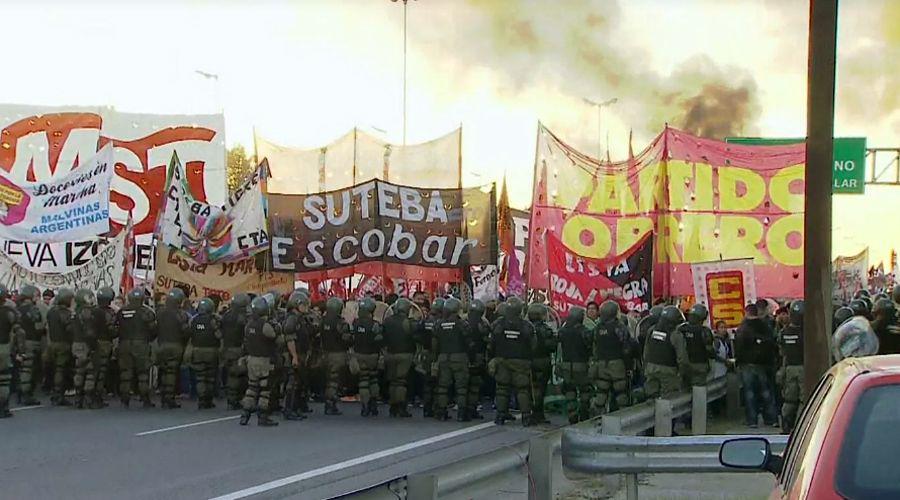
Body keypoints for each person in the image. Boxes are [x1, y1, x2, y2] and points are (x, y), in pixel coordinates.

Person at [490, 296, 535, 426]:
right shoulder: (526, 325)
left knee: (502, 389)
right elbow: (533, 344)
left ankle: (500, 415)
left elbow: (492, 342)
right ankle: (526, 417)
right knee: (522, 390)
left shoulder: (498, 324)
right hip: (521, 361)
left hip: (502, 360)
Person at [734, 303, 778, 428]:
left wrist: (738, 361)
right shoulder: (765, 326)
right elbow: (772, 345)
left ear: (746, 312)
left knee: (749, 393)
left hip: (747, 364)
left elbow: (739, 347)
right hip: (764, 364)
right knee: (766, 392)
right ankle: (771, 419)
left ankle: (752, 420)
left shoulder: (742, 328)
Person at [240, 297, 280, 427]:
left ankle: (244, 415)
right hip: (264, 360)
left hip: (252, 359)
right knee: (264, 390)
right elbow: (274, 337)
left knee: (251, 388)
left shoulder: (248, 325)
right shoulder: (265, 325)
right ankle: (262, 416)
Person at [116, 288, 157, 408]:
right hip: (141, 344)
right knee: (143, 373)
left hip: (124, 343)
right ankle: (145, 399)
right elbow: (154, 330)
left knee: (125, 373)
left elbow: (116, 328)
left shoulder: (121, 311)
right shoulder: (147, 312)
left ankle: (124, 400)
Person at [591, 301, 631, 415]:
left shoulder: (598, 327)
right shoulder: (619, 327)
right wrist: (628, 366)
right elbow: (626, 347)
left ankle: (597, 419)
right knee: (621, 393)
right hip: (617, 363)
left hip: (602, 364)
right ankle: (623, 419)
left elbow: (595, 346)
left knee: (601, 393)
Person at [434, 297, 470, 421]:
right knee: (461, 388)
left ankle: (442, 412)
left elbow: (435, 343)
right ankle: (461, 414)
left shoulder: (439, 324)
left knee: (443, 386)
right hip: (459, 357)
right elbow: (468, 342)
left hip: (443, 357)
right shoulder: (462, 324)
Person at [156, 289, 190, 409]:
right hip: (175, 345)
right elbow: (186, 332)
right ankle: (169, 398)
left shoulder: (159, 312)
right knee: (171, 372)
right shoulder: (181, 314)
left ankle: (163, 395)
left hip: (161, 344)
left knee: (164, 370)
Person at [558, 306, 593, 424]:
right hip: (581, 365)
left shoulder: (562, 330)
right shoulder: (584, 331)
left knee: (570, 391)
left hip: (566, 365)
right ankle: (584, 413)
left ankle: (572, 414)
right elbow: (590, 347)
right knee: (584, 390)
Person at [383, 298, 415, 418]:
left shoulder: (387, 321)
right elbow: (415, 336)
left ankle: (393, 407)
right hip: (405, 354)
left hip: (390, 354)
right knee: (401, 382)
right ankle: (401, 407)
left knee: (393, 382)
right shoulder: (408, 322)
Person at [282, 290, 311, 420]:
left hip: (301, 353)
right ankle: (289, 409)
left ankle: (295, 408)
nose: (306, 307)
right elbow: (290, 339)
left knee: (298, 382)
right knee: (292, 383)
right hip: (294, 354)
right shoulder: (292, 319)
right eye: (304, 305)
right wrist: (294, 356)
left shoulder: (300, 318)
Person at [352, 297, 383, 417]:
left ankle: (364, 406)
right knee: (373, 379)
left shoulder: (355, 323)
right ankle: (373, 405)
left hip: (359, 354)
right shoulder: (375, 325)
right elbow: (380, 339)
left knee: (363, 381)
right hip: (372, 355)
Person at [777, 300, 805, 434]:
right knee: (804, 400)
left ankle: (785, 425)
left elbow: (782, 353)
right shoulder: (806, 333)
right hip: (803, 368)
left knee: (789, 400)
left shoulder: (784, 333)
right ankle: (800, 426)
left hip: (789, 368)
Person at [320, 297, 350, 416]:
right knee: (334, 380)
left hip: (325, 353)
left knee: (328, 379)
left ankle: (328, 402)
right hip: (338, 353)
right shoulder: (340, 323)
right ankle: (330, 404)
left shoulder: (322, 321)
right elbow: (346, 339)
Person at [189, 297, 221, 409]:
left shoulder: (193, 320)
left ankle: (201, 400)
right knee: (210, 378)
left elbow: (189, 333)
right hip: (211, 351)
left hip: (197, 351)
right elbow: (219, 335)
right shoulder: (214, 320)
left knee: (200, 377)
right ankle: (208, 400)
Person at [15, 285, 44, 406]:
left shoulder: (17, 309)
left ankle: (20, 393)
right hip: (31, 341)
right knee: (28, 369)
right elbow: (38, 327)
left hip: (19, 341)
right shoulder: (34, 309)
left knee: (21, 368)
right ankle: (26, 394)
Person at [46, 288, 75, 406]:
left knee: (54, 369)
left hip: (52, 342)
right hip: (63, 344)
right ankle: (58, 394)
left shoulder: (51, 311)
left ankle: (55, 392)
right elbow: (69, 329)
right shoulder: (67, 314)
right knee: (60, 369)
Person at [528, 302, 556, 424]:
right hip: (543, 361)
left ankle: (530, 412)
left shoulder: (525, 327)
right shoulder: (546, 329)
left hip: (528, 361)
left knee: (530, 388)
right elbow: (552, 346)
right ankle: (538, 413)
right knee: (541, 388)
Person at [221, 293, 249, 410]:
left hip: (227, 348)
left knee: (231, 374)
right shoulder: (242, 317)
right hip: (238, 348)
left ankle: (232, 399)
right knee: (237, 375)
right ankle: (234, 400)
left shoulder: (226, 315)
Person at [90, 287, 117, 409]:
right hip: (105, 343)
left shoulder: (92, 311)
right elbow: (112, 330)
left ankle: (90, 394)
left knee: (92, 370)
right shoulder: (109, 313)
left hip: (92, 342)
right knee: (101, 371)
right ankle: (97, 396)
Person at [71, 289, 98, 409]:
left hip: (76, 343)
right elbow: (89, 332)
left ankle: (78, 398)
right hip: (85, 344)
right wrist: (93, 346)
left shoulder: (74, 312)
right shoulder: (86, 312)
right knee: (90, 372)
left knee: (79, 371)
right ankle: (88, 398)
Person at [0, 284, 23, 417]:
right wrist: (20, 351)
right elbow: (19, 332)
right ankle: (3, 408)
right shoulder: (10, 312)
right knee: (3, 380)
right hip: (4, 347)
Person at [466, 299, 491, 420]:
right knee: (475, 384)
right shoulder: (483, 323)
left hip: (464, 356)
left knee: (464, 384)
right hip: (478, 355)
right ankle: (471, 408)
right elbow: (487, 339)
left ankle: (463, 409)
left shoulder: (463, 321)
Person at [679, 304, 714, 387]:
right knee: (699, 391)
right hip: (700, 365)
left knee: (684, 390)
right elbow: (710, 350)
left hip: (684, 365)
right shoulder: (704, 331)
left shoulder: (681, 328)